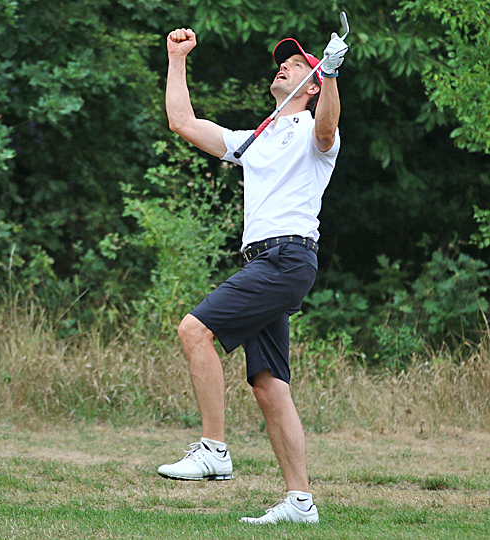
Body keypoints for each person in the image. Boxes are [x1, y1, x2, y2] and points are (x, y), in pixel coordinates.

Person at [158, 25, 348, 525]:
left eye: (296, 63)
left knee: (194, 330)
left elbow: (327, 130)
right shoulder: (254, 139)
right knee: (268, 383)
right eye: (283, 61)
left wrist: (328, 76)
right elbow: (182, 121)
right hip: (265, 261)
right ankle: (300, 502)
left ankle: (214, 449)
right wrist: (177, 59)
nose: (282, 65)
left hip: (287, 258)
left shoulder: (313, 128)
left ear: (311, 84)